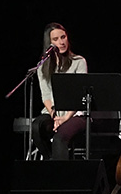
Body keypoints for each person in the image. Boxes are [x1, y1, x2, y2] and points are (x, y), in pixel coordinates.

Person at [31, 22, 88, 160]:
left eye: (63, 37)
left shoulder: (78, 61)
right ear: (49, 44)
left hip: (74, 114)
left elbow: (79, 95)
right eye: (55, 39)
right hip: (53, 112)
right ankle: (51, 161)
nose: (61, 42)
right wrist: (54, 115)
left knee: (60, 137)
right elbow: (46, 95)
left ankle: (59, 170)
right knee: (37, 127)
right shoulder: (42, 66)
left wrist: (66, 118)